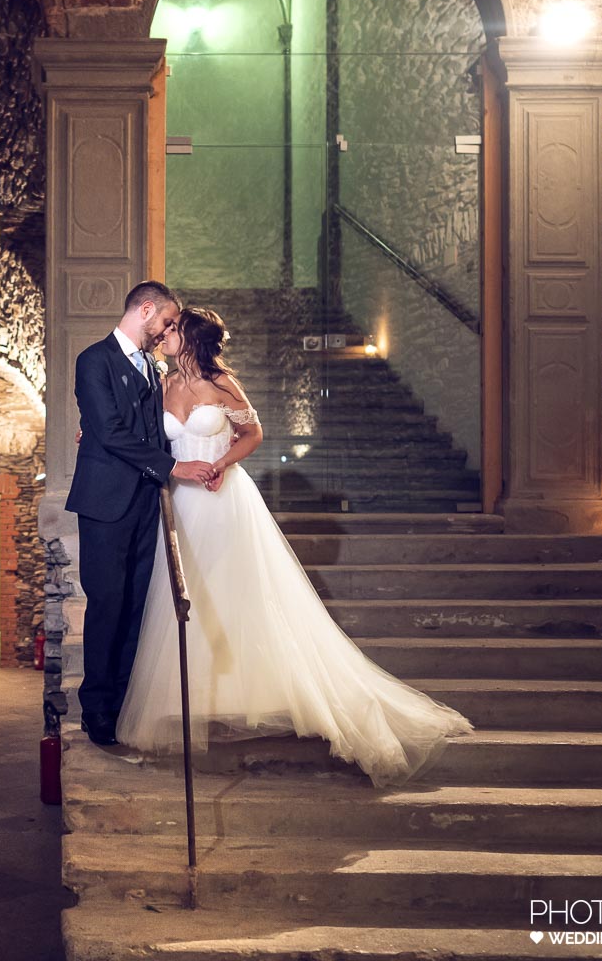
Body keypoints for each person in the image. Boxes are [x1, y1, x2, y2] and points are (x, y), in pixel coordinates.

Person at [113, 306, 475, 786]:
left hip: (222, 499)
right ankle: (197, 698)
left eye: (174, 328)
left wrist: (220, 463)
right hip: (179, 498)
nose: (165, 334)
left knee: (233, 594)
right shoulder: (161, 383)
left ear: (193, 338)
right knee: (187, 597)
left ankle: (252, 694)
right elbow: (140, 434)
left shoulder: (222, 384)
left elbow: (253, 432)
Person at [66, 281, 218, 747]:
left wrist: (212, 444)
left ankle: (126, 705)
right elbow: (111, 430)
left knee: (136, 607)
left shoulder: (153, 369)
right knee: (108, 605)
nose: (168, 331)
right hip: (105, 507)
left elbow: (152, 430)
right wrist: (173, 465)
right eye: (167, 322)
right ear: (145, 310)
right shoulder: (94, 360)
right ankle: (97, 711)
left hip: (146, 503)